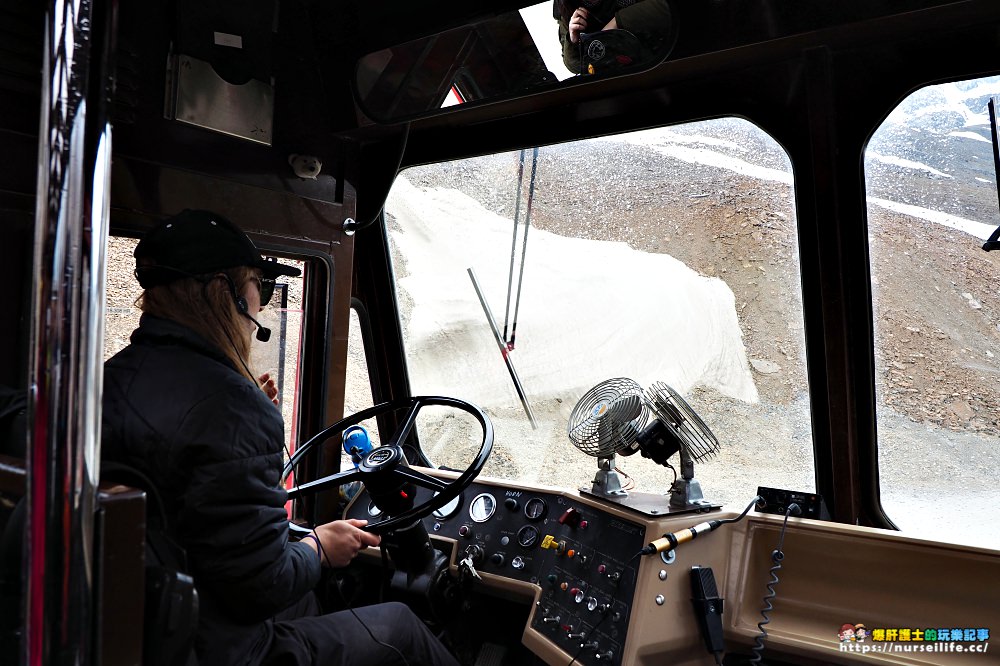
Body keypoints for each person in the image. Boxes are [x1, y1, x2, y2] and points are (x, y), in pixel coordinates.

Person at [101, 209, 460, 666]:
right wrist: (319, 548)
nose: (262, 305)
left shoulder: (111, 377)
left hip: (149, 618)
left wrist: (248, 419)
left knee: (310, 601)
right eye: (261, 287)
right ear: (224, 293)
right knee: (400, 627)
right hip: (215, 647)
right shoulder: (230, 406)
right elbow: (260, 587)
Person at [553, 0, 675, 75]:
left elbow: (668, 7)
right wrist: (573, 41)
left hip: (659, 58)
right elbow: (574, 66)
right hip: (618, 77)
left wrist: (618, 22)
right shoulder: (566, 6)